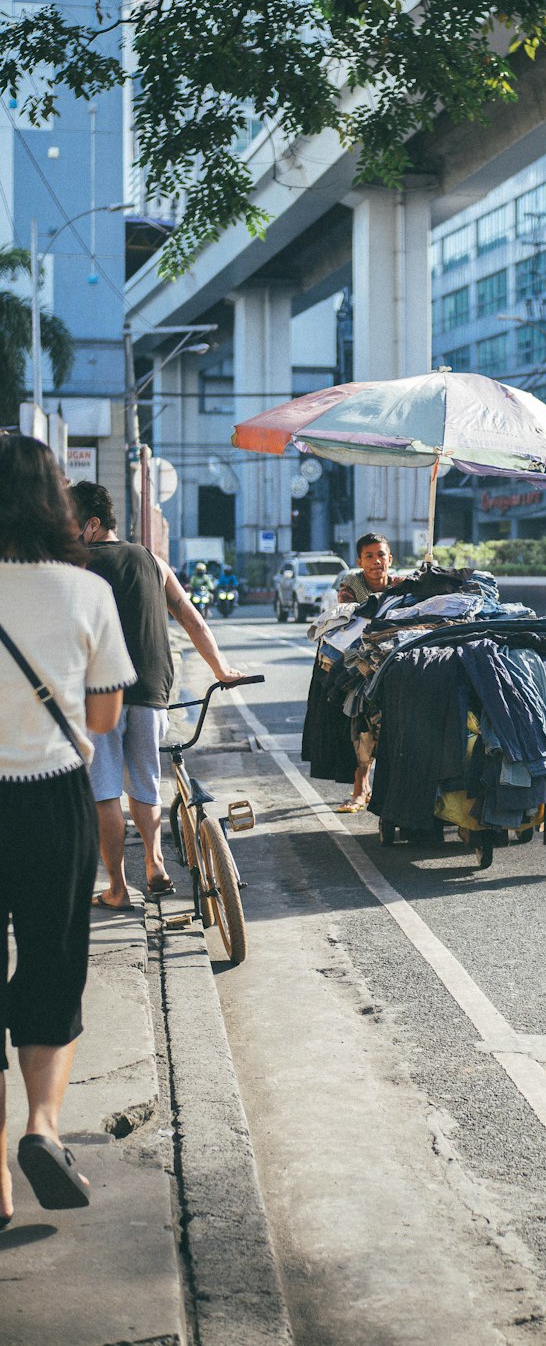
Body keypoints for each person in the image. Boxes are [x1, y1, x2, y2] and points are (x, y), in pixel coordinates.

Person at [0, 437, 135, 1219]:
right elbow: (106, 714)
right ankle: (43, 1127)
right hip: (52, 797)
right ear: (55, 501)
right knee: (52, 966)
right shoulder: (85, 591)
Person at [68, 483, 245, 910]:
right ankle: (155, 863)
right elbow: (190, 617)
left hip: (97, 696)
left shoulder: (75, 565)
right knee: (146, 784)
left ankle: (117, 888)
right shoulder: (152, 560)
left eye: (71, 522)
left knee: (105, 792)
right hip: (152, 692)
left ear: (92, 524)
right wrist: (221, 669)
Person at [335, 533, 396, 812]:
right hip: (359, 661)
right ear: (359, 561)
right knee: (361, 719)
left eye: (381, 555)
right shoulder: (350, 587)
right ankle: (359, 787)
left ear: (390, 559)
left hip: (393, 658)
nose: (376, 562)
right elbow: (345, 619)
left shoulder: (400, 587)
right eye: (369, 556)